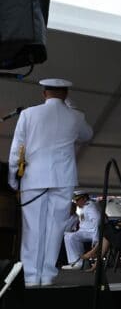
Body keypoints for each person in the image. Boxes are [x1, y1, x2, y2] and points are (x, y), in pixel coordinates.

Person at [7, 78, 93, 287]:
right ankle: (47, 275)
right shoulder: (75, 116)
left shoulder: (28, 114)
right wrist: (71, 107)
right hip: (63, 178)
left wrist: (13, 179)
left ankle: (30, 276)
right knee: (55, 228)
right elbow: (87, 135)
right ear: (66, 94)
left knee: (32, 229)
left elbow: (17, 148)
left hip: (34, 178)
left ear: (44, 93)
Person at [62, 191, 100, 269]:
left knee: (71, 237)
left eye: (78, 200)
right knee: (68, 236)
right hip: (85, 231)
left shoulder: (90, 207)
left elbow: (97, 221)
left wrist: (96, 238)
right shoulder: (85, 207)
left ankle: (78, 262)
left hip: (92, 232)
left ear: (84, 198)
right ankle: (76, 262)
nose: (76, 203)